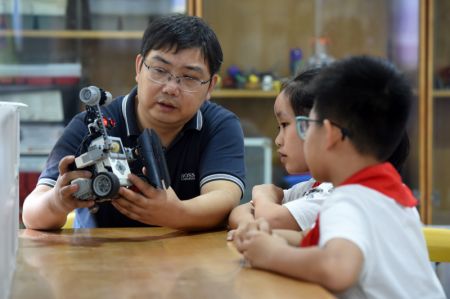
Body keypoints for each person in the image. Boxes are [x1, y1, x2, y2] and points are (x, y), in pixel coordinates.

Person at [233, 56, 446, 298]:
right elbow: (317, 242)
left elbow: (338, 268)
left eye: (307, 126)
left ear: (331, 135)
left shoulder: (348, 200)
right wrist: (267, 238)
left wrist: (271, 255)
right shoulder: (387, 196)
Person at [22, 14, 246, 230]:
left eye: (189, 77)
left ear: (210, 86)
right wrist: (56, 203)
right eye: (160, 70)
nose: (170, 88)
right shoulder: (93, 126)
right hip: (101, 260)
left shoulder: (219, 125)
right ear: (139, 68)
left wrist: (175, 213)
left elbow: (224, 197)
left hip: (188, 261)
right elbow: (32, 213)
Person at [228, 68, 333, 235]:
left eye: (284, 124)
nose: (277, 140)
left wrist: (263, 194)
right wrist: (250, 226)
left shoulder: (332, 192)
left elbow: (272, 219)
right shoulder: (311, 186)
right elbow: (239, 212)